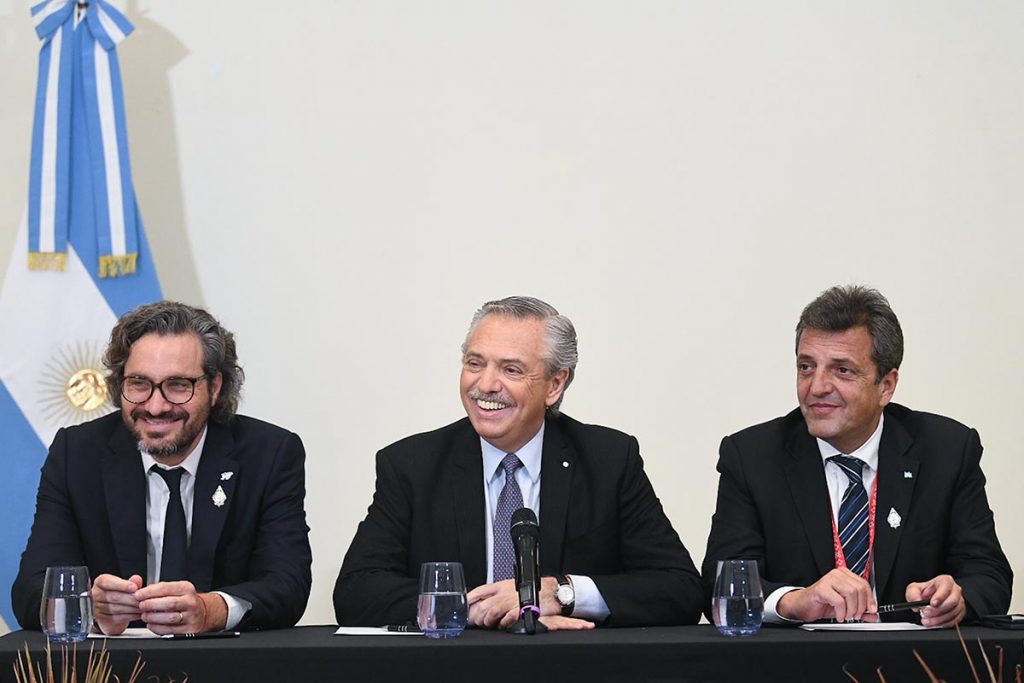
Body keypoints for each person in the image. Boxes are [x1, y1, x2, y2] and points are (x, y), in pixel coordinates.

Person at [334, 296, 702, 629]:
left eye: (511, 369)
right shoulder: (412, 465)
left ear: (555, 385)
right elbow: (356, 592)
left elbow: (681, 589)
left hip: (572, 667)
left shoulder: (608, 460)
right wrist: (470, 607)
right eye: (475, 363)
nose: (486, 384)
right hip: (454, 669)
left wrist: (561, 594)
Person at [703, 285, 1012, 627]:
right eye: (806, 367)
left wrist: (956, 599)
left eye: (842, 370)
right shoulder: (752, 457)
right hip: (797, 657)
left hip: (912, 657)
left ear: (886, 386)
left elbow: (989, 574)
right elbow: (721, 583)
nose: (817, 386)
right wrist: (794, 601)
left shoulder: (947, 451)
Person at [12, 301, 312, 634]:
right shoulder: (77, 454)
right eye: (139, 384)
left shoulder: (269, 454)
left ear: (214, 387)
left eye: (178, 385)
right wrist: (87, 606)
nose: (155, 407)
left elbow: (288, 584)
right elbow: (31, 589)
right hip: (115, 661)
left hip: (223, 660)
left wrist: (210, 609)